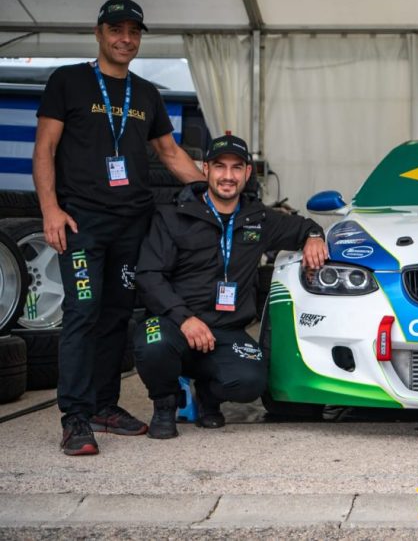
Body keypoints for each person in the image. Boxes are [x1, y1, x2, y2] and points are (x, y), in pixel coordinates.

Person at [33, 0, 205, 456]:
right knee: (83, 313)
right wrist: (50, 208)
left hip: (134, 224)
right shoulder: (67, 80)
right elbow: (45, 149)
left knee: (115, 318)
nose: (125, 39)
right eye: (116, 30)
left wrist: (213, 190)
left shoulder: (146, 93)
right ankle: (74, 417)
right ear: (98, 32)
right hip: (82, 222)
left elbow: (170, 154)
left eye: (133, 31)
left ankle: (104, 406)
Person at [133, 134, 328, 439]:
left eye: (237, 168)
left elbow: (304, 226)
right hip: (177, 323)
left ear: (247, 173)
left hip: (226, 330)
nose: (228, 176)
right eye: (220, 167)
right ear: (206, 169)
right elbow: (147, 275)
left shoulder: (257, 218)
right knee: (152, 344)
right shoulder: (173, 216)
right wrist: (184, 318)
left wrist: (315, 236)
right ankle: (165, 404)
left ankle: (208, 398)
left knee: (251, 382)